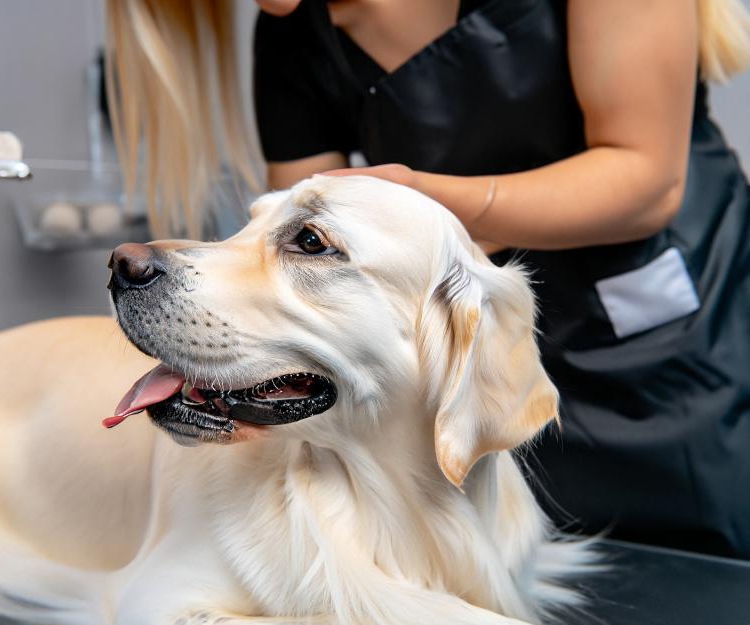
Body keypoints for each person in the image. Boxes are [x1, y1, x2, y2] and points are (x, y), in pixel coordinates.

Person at [105, 0, 750, 559]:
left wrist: (420, 202)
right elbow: (295, 274)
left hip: (667, 356)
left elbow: (647, 180)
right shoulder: (293, 35)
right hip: (458, 388)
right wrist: (245, 379)